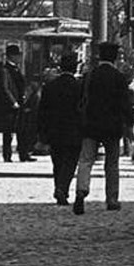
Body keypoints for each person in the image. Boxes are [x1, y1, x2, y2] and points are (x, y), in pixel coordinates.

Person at [72, 40, 133, 215]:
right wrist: (128, 122)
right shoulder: (119, 77)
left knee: (86, 161)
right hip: (112, 127)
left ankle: (81, 192)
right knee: (112, 164)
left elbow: (81, 99)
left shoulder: (90, 76)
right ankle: (112, 198)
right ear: (115, 58)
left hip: (90, 125)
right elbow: (124, 103)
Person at [37, 52, 82, 205]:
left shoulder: (50, 86)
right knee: (70, 162)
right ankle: (62, 188)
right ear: (75, 68)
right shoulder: (79, 87)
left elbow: (42, 111)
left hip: (54, 130)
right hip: (74, 130)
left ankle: (58, 186)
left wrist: (42, 133)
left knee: (57, 162)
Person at [0, 43, 30, 162]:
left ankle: (23, 154)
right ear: (12, 56)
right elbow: (4, 88)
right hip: (9, 106)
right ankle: (7, 155)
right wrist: (13, 102)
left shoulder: (16, 69)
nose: (19, 58)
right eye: (17, 55)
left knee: (22, 130)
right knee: (8, 132)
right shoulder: (4, 70)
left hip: (20, 103)